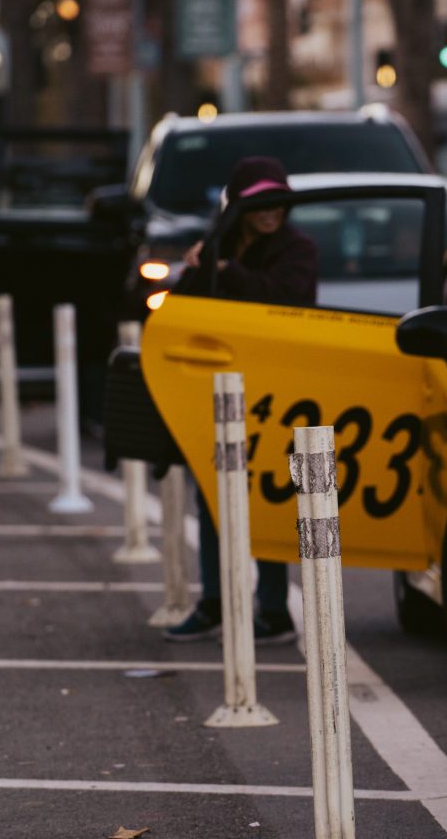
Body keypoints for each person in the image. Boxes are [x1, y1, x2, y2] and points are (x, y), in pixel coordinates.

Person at [165, 157, 319, 645]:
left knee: (268, 495)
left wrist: (228, 272)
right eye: (259, 204)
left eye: (277, 203)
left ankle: (273, 610)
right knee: (211, 496)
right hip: (215, 388)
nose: (270, 213)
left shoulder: (298, 249)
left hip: (273, 392)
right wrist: (199, 265)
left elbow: (288, 301)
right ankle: (213, 602)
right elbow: (183, 306)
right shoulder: (220, 245)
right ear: (239, 207)